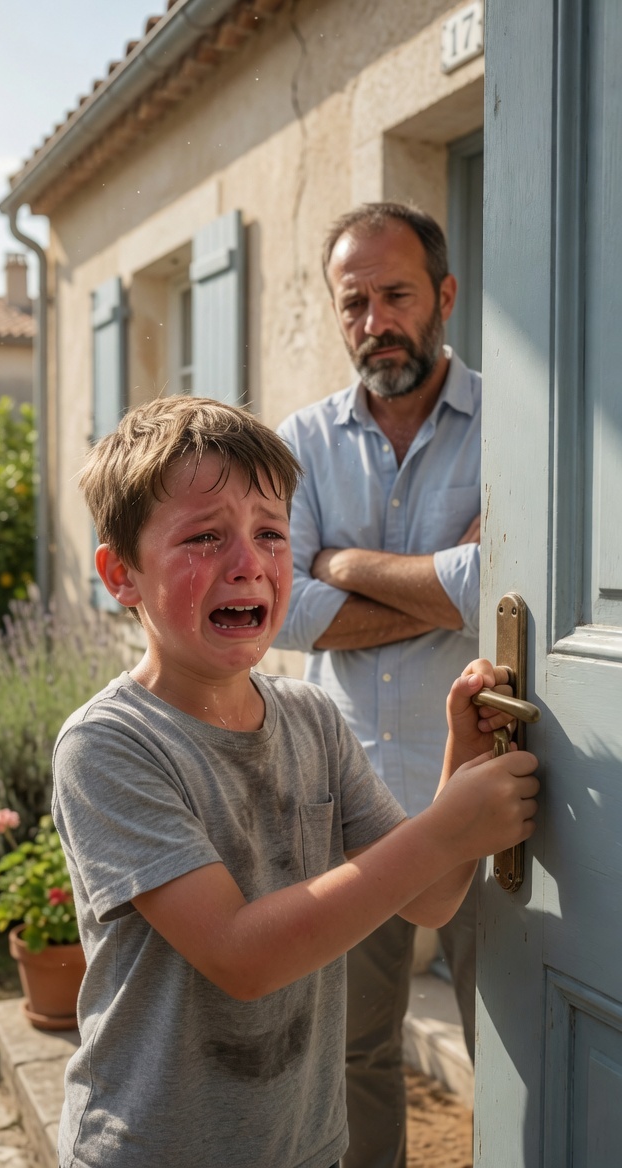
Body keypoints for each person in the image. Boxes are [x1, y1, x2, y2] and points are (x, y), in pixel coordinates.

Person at [51, 395, 536, 1168]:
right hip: (157, 1148)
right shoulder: (110, 746)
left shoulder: (312, 717)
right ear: (121, 574)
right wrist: (449, 828)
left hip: (305, 1144)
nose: (248, 562)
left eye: (271, 535)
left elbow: (431, 897)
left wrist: (461, 768)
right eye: (204, 537)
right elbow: (244, 959)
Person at [275, 201, 482, 1168]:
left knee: (511, 1046)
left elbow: (502, 595)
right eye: (353, 302)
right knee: (355, 1052)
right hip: (343, 791)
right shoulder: (298, 444)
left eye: (395, 295)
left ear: (443, 296)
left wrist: (344, 561)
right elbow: (285, 612)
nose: (373, 321)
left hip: (485, 787)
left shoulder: (515, 424)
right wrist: (446, 586)